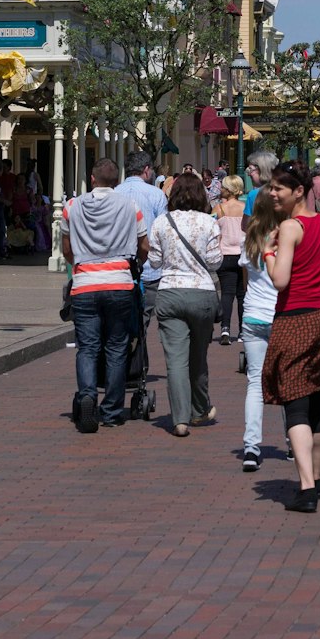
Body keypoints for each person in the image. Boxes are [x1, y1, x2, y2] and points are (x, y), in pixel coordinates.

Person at [262, 161, 320, 513]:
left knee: (295, 405)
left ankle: (306, 487)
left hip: (295, 319)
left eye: (278, 188)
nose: (272, 193)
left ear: (298, 191)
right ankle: (319, 477)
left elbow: (280, 280)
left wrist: (267, 251)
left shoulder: (290, 227)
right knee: (316, 400)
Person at [61, 159, 150, 433]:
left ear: (92, 178)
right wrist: (136, 263)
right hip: (119, 282)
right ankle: (111, 409)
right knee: (117, 346)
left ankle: (87, 395)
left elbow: (66, 248)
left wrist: (79, 263)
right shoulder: (129, 206)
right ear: (117, 180)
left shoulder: (72, 207)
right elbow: (143, 244)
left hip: (85, 282)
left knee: (87, 347)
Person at [146, 172, 221, 437]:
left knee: (176, 360)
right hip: (201, 293)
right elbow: (214, 262)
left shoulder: (161, 222)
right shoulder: (209, 223)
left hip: (169, 292)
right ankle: (199, 408)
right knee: (198, 357)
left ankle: (179, 419)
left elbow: (154, 261)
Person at [237, 194, 281, 472]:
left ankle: (251, 447)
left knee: (255, 383)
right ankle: (292, 441)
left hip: (253, 314)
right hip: (279, 315)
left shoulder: (250, 241)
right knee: (288, 381)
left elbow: (246, 281)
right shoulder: (284, 241)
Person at [119, 151, 171, 301]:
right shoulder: (156, 194)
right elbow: (163, 231)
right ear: (146, 170)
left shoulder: (115, 193)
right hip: (149, 269)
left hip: (119, 271)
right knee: (144, 316)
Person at [213, 176, 248, 344]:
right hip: (242, 254)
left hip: (225, 254)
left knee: (226, 293)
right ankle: (242, 331)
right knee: (242, 295)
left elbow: (213, 233)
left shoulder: (219, 208)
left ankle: (225, 328)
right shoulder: (246, 208)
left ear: (227, 189)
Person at [243, 150, 279, 215]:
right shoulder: (285, 191)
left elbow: (246, 224)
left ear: (261, 169)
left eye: (250, 169)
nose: (249, 174)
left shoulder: (254, 194)